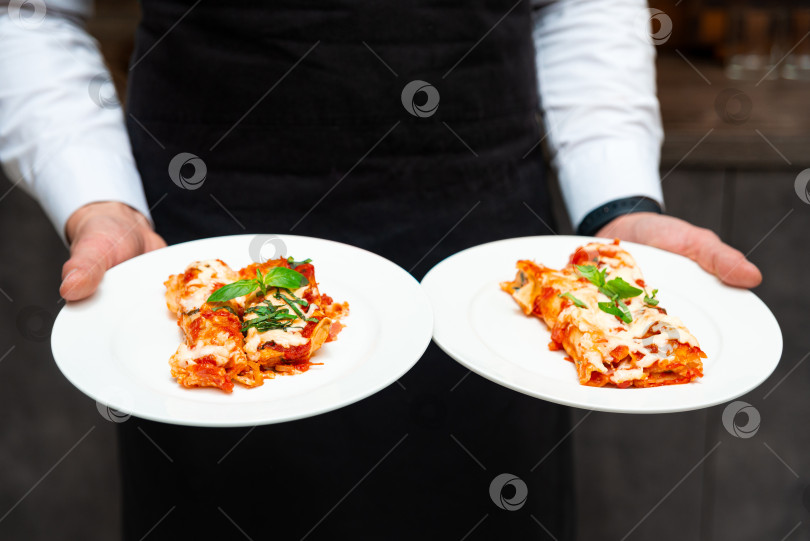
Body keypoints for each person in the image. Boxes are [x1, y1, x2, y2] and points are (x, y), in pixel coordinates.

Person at [1, 0, 761, 539]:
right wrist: (97, 199)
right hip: (204, 237)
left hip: (485, 255)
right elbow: (32, 15)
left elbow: (578, 6)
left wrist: (615, 204)